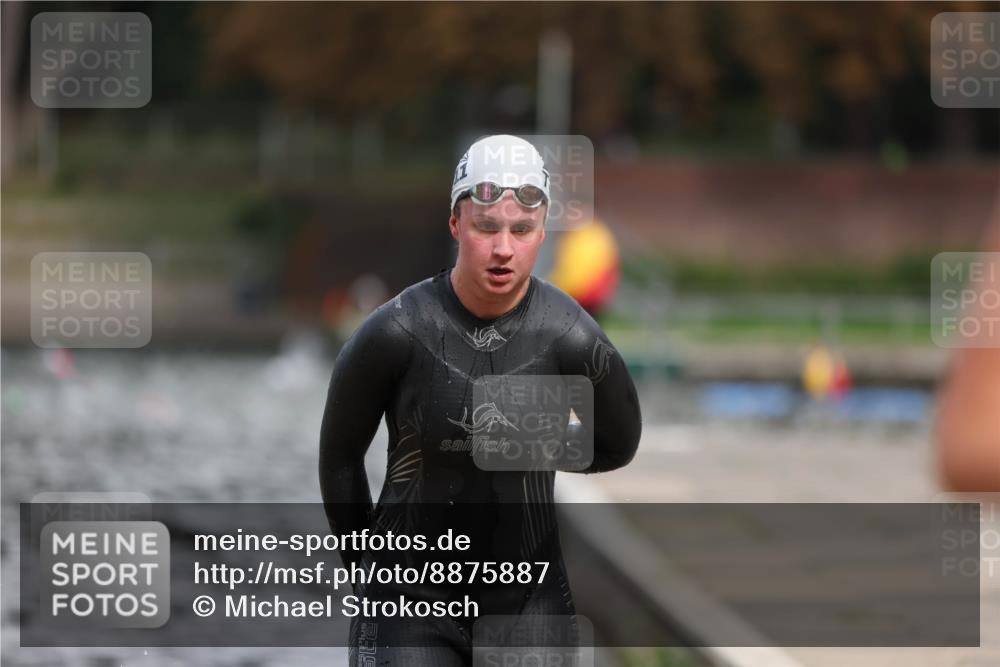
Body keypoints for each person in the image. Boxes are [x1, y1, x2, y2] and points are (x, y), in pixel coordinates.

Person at [318, 134, 642, 665]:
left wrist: (523, 438)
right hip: (408, 602)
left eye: (522, 230)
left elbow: (618, 444)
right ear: (456, 224)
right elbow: (339, 460)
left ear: (543, 231)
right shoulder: (396, 331)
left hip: (529, 605)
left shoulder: (570, 335)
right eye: (486, 227)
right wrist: (366, 574)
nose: (503, 249)